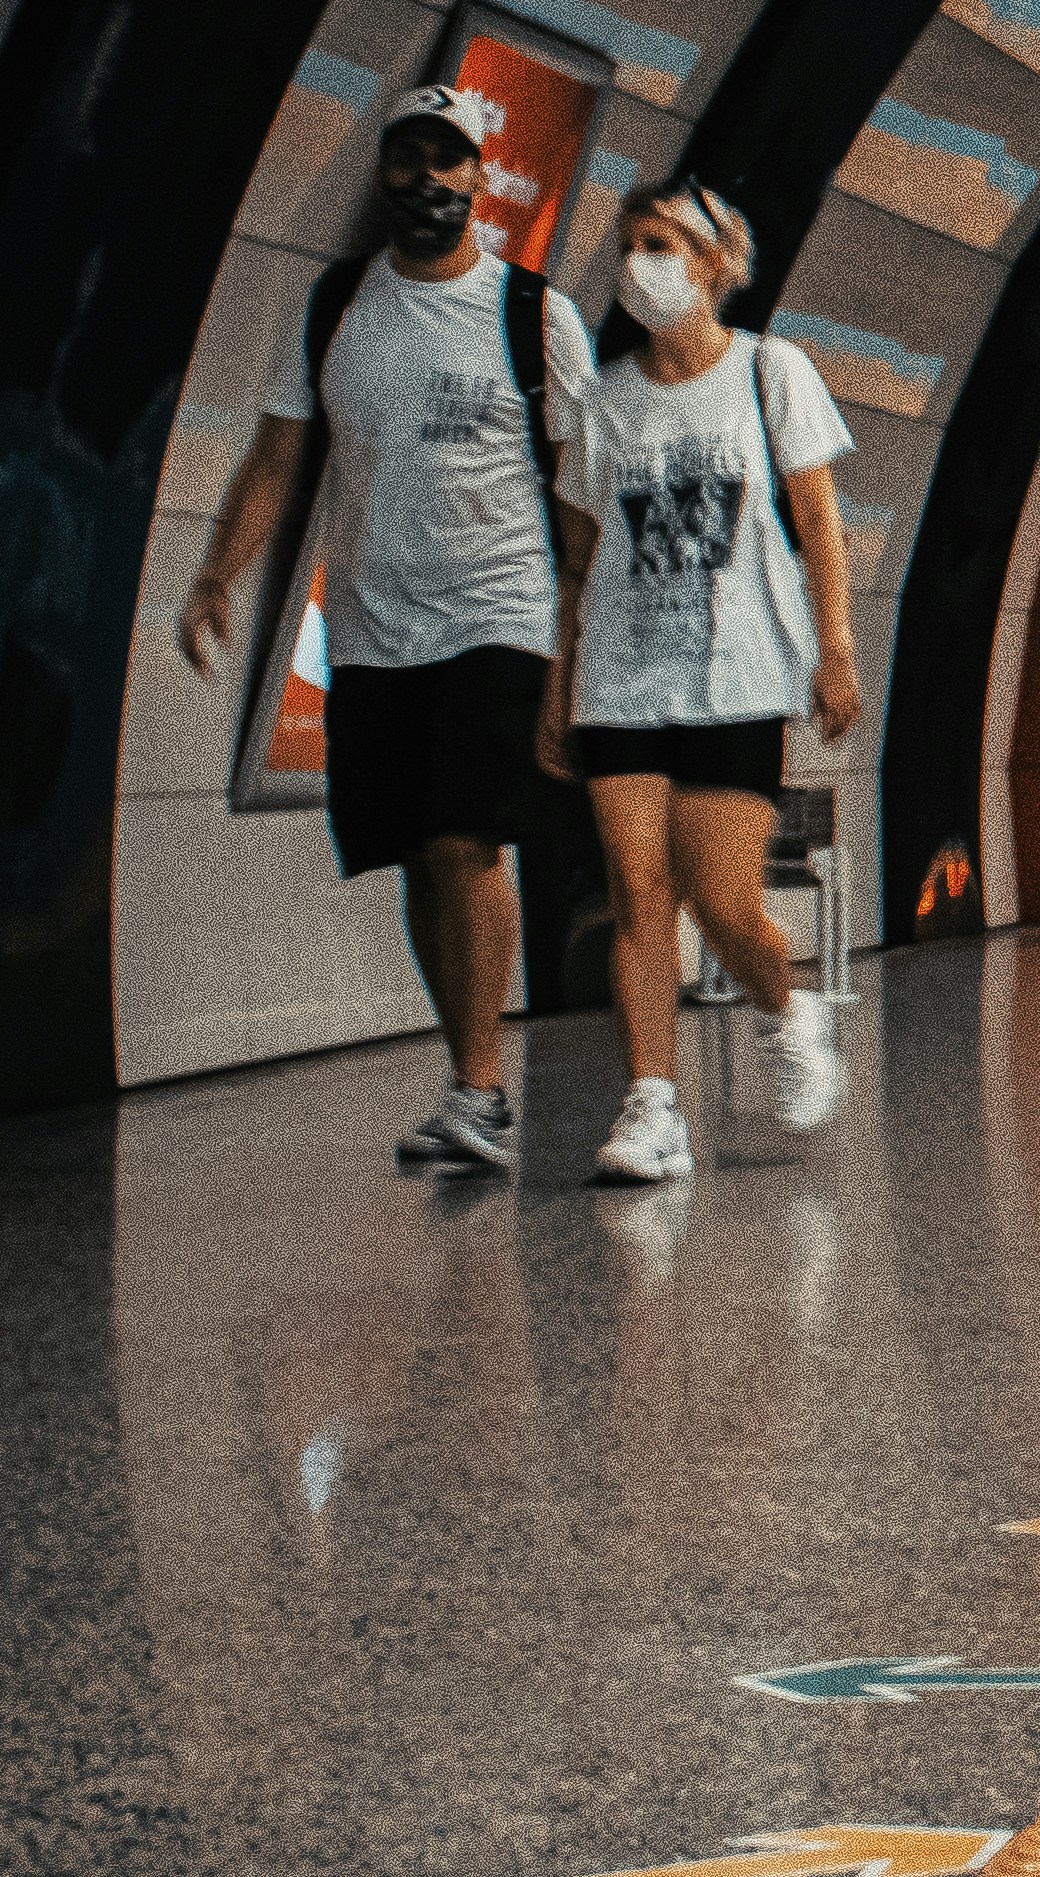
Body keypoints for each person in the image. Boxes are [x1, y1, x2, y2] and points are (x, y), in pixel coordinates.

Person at [179, 86, 597, 1171]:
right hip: (370, 624)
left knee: (468, 838)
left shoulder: (532, 315)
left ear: (478, 179)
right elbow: (277, 455)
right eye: (408, 158)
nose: (428, 179)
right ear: (385, 175)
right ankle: (469, 1082)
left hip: (496, 611)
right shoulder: (333, 306)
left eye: (448, 160)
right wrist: (217, 573)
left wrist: (584, 625)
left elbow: (581, 489)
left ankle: (484, 1091)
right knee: (412, 853)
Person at [540, 180, 862, 1184]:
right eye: (634, 243)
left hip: (736, 673)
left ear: (720, 263)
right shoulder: (603, 401)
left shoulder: (772, 372)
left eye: (668, 242)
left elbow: (817, 520)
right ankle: (653, 1106)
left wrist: (836, 647)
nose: (645, 261)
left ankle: (785, 1009)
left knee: (725, 904)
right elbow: (582, 557)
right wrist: (560, 681)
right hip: (623, 675)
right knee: (639, 894)